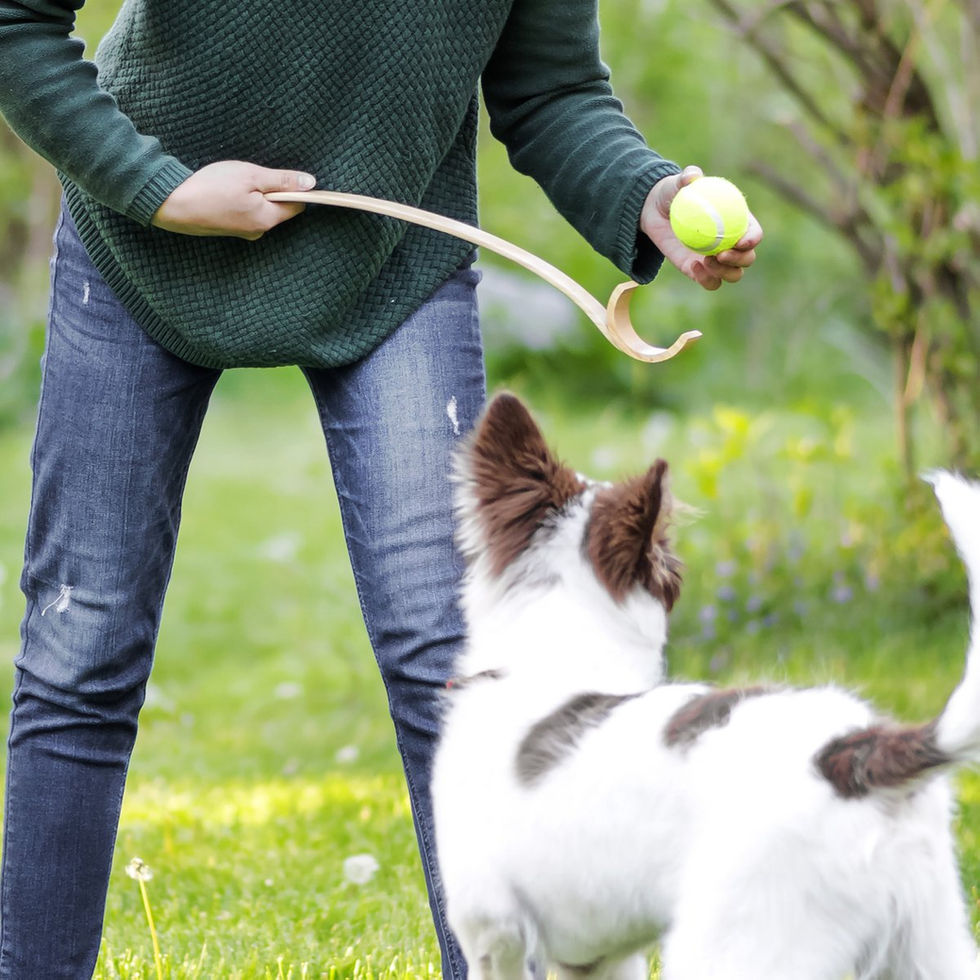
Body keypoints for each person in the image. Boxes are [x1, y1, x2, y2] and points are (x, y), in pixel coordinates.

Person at [0, 1, 762, 977]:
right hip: (137, 238)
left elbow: (552, 90)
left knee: (444, 656)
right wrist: (159, 187)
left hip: (391, 260)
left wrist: (645, 191)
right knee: (81, 646)